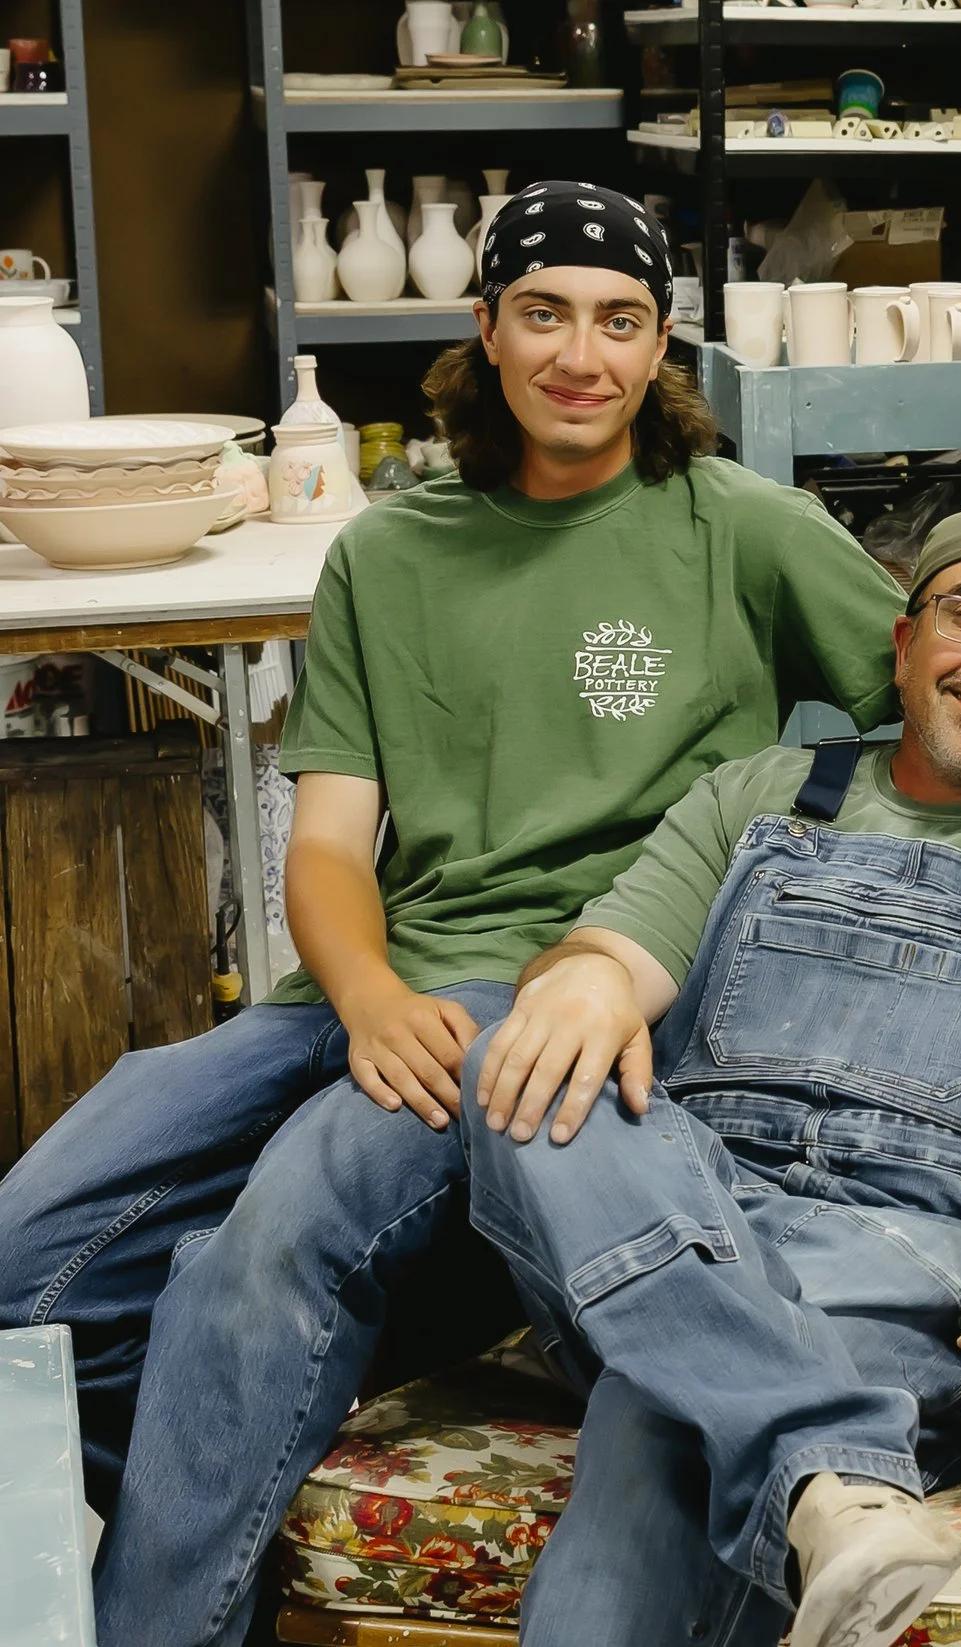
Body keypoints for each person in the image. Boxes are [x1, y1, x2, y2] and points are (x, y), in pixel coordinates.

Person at [23, 183, 908, 1647]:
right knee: (37, 1248)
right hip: (367, 989)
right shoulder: (392, 550)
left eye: (619, 321)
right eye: (545, 313)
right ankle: (244, 1463)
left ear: (662, 344)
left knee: (275, 1231)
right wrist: (364, 997)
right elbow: (324, 844)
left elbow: (949, 716)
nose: (582, 353)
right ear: (483, 328)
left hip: (569, 982)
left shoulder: (744, 527)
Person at [443, 503, 961, 1646]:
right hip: (693, 1207)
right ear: (901, 642)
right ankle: (826, 1473)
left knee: (664, 1408)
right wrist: (584, 973)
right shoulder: (758, 795)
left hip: (926, 1255)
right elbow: (606, 971)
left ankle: (788, 1437)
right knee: (517, 1038)